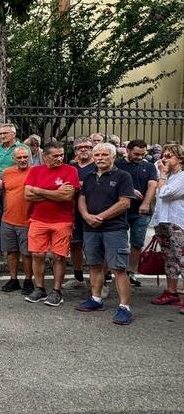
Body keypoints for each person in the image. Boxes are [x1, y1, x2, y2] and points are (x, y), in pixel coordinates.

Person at [75, 143, 135, 325]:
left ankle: (125, 308)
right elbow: (82, 198)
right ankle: (96, 299)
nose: (100, 158)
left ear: (113, 157)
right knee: (94, 265)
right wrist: (85, 216)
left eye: (104, 155)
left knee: (118, 269)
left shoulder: (123, 176)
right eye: (97, 154)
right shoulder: (90, 176)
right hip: (90, 228)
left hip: (114, 229)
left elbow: (125, 203)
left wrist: (100, 217)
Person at [24, 141, 80, 307]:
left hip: (62, 221)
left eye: (61, 155)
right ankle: (39, 288)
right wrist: (55, 193)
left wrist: (39, 191)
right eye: (55, 155)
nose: (60, 158)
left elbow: (66, 197)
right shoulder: (35, 171)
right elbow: (27, 195)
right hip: (38, 219)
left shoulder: (70, 171)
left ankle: (56, 291)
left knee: (58, 256)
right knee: (37, 254)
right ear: (45, 156)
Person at [115, 139, 158, 287]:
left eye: (142, 154)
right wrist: (129, 190)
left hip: (141, 211)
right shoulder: (118, 164)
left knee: (137, 243)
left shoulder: (149, 166)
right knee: (116, 242)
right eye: (136, 154)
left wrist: (146, 203)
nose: (139, 157)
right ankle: (112, 271)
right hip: (120, 210)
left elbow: (152, 185)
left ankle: (130, 273)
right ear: (127, 150)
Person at [149, 143, 184, 314]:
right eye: (163, 155)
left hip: (178, 222)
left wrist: (162, 174)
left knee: (182, 259)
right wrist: (163, 171)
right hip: (163, 220)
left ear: (180, 158)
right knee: (169, 258)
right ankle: (172, 292)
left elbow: (166, 193)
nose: (165, 159)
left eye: (170, 156)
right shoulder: (166, 175)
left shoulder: (182, 176)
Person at [0, 146, 35, 294]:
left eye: (25, 157)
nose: (22, 160)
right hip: (7, 219)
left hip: (27, 220)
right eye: (19, 157)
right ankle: (13, 280)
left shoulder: (35, 171)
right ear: (14, 159)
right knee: (11, 252)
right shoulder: (6, 173)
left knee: (27, 254)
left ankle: (28, 280)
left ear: (30, 157)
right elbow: (2, 193)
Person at [62, 136, 96, 291]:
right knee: (75, 244)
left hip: (93, 211)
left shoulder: (98, 165)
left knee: (94, 246)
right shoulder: (71, 166)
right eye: (79, 147)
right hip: (72, 211)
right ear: (75, 150)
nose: (83, 149)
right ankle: (78, 277)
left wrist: (79, 184)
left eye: (87, 147)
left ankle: (102, 281)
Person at [0, 123, 28, 254]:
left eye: (5, 133)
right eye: (0, 134)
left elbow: (29, 168)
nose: (2, 136)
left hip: (15, 187)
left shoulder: (22, 149)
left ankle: (19, 247)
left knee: (14, 217)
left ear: (13, 134)